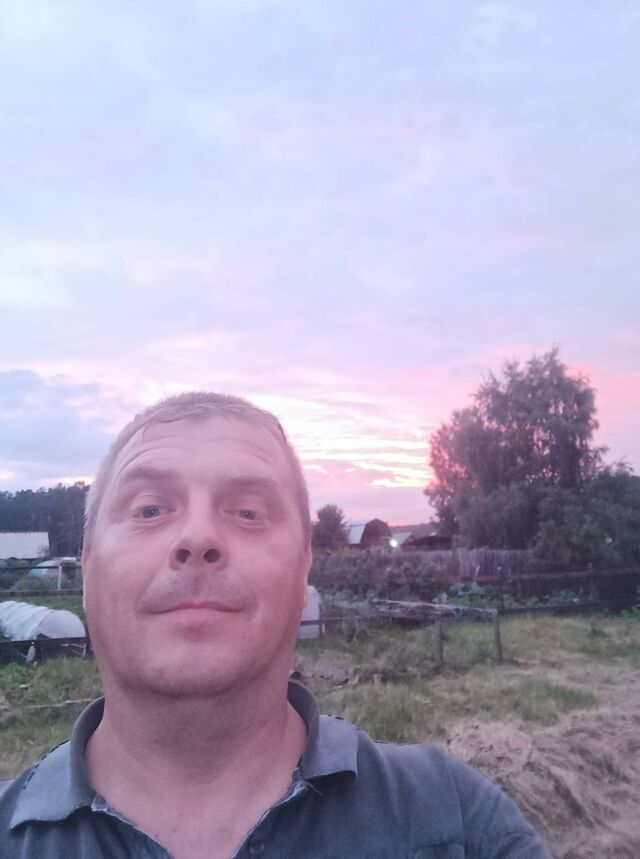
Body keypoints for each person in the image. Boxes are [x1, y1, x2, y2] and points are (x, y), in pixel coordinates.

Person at [0, 392, 549, 858]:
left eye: (247, 512)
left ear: (303, 565)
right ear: (89, 565)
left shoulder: (458, 823)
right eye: (148, 509)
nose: (198, 538)